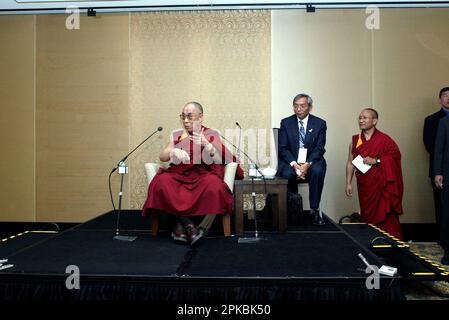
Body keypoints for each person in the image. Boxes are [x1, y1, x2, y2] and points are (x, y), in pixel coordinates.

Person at [142, 101, 243, 245]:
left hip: (202, 174)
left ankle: (179, 226)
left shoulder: (210, 134)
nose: (185, 121)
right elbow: (162, 157)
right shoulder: (178, 135)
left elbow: (220, 159)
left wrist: (207, 145)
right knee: (161, 182)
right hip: (179, 174)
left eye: (189, 116)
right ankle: (189, 225)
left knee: (214, 185)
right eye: (183, 117)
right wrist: (173, 150)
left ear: (200, 117)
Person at [345, 108, 404, 240]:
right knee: (367, 213)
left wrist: (376, 160)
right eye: (360, 117)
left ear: (375, 121)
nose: (361, 120)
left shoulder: (385, 140)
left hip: (382, 185)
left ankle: (390, 241)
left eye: (365, 117)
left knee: (385, 212)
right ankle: (370, 240)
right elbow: (350, 163)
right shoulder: (355, 141)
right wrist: (348, 182)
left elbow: (395, 157)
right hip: (365, 185)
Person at [278, 93, 327, 225]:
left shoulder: (320, 124)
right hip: (291, 161)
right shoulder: (286, 123)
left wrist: (307, 164)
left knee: (317, 171)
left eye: (302, 106)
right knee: (287, 173)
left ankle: (314, 210)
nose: (298, 109)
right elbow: (282, 148)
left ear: (309, 107)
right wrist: (295, 165)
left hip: (312, 160)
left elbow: (319, 148)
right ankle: (293, 209)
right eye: (296, 106)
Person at [423, 87, 449, 247]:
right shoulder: (433, 119)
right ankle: (443, 241)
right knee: (442, 208)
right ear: (440, 99)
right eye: (445, 96)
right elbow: (431, 145)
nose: (448, 98)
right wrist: (439, 170)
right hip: (441, 170)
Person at [433, 116, 449, 265]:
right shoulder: (444, 121)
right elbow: (439, 149)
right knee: (447, 216)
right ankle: (448, 251)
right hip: (448, 175)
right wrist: (438, 172)